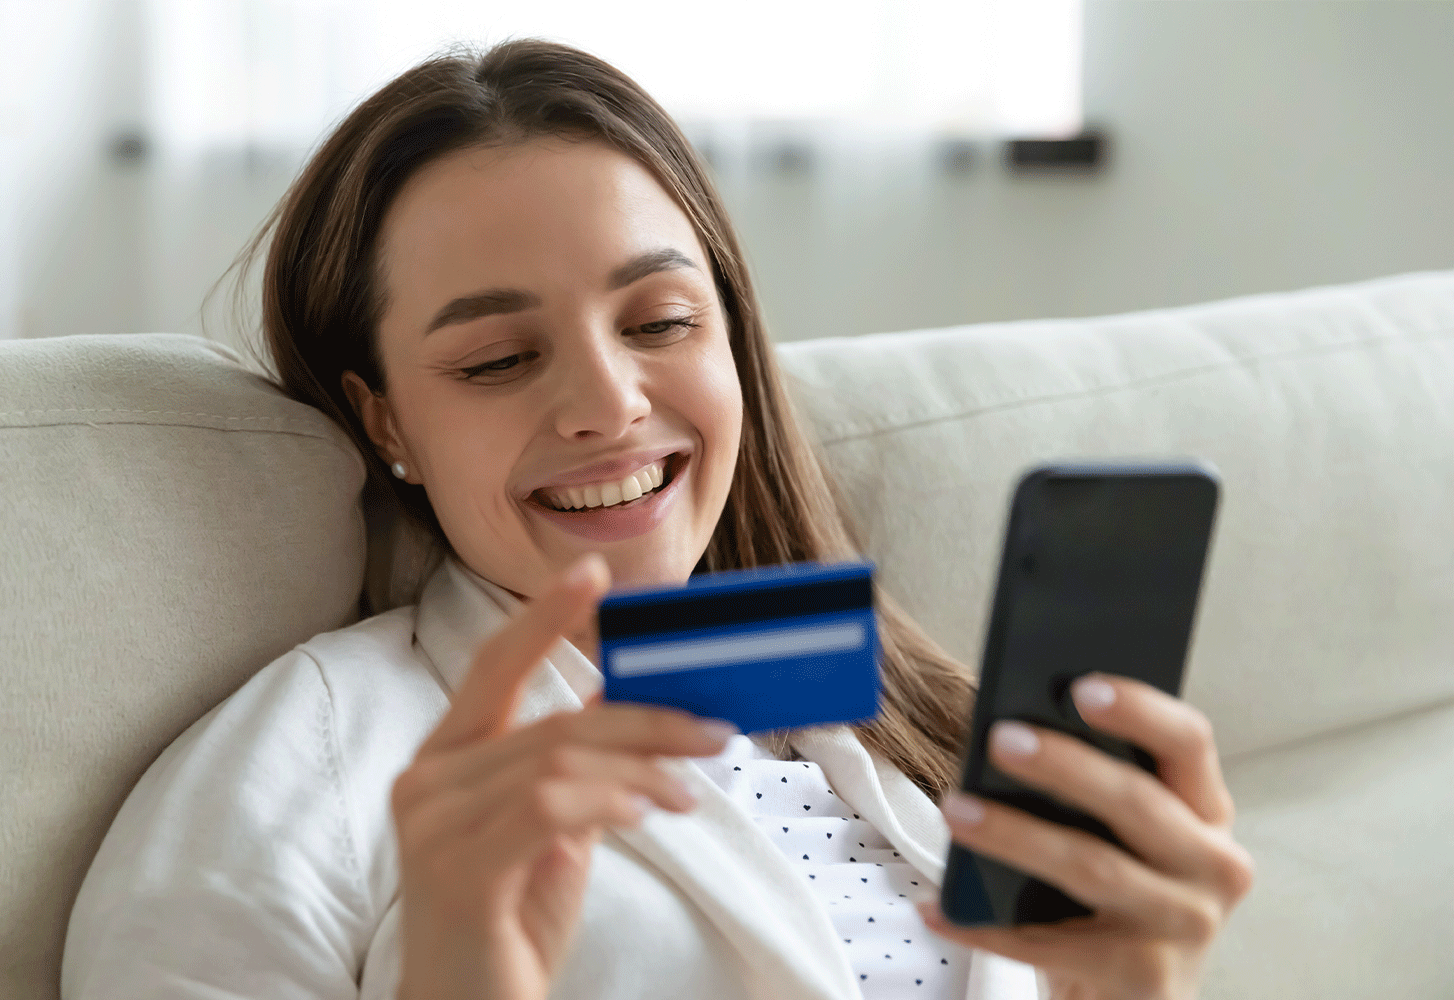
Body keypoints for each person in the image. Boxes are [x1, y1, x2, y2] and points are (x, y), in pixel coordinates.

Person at [62, 39, 1253, 1000]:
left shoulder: (902, 721)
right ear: (386, 422)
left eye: (661, 321)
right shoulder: (300, 762)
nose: (606, 404)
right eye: (499, 357)